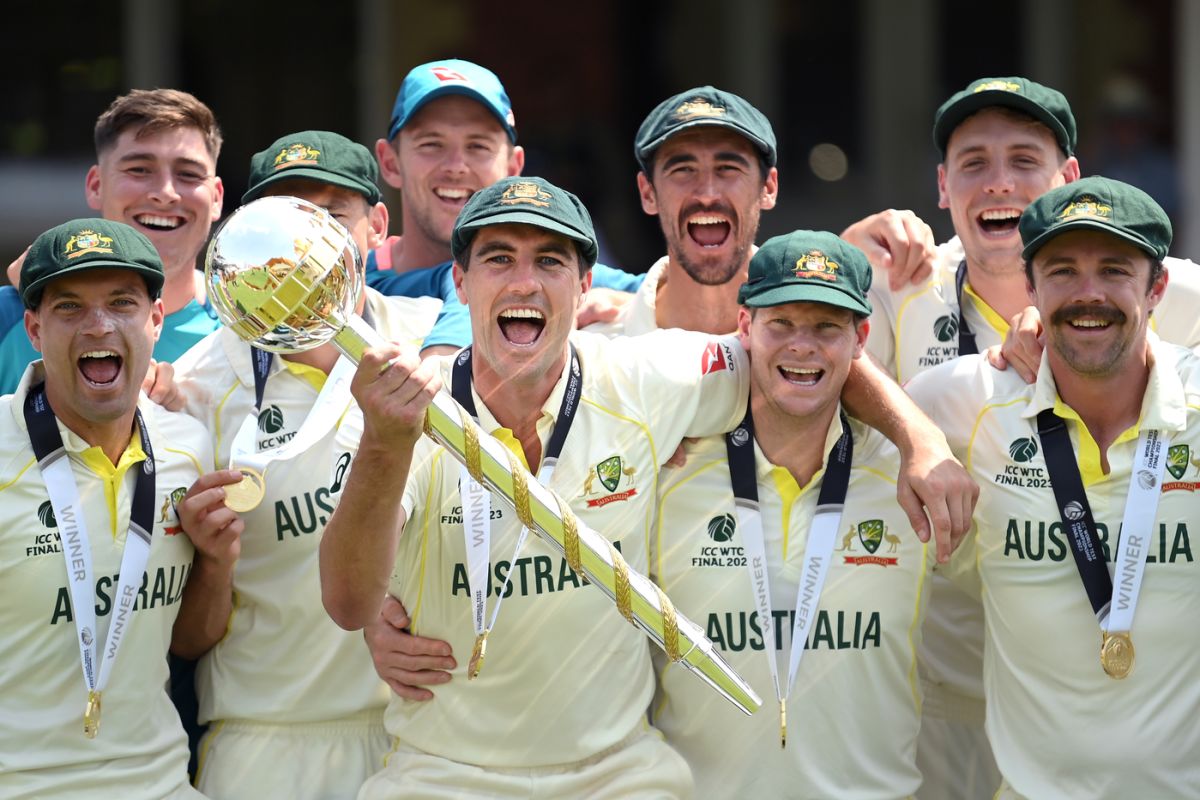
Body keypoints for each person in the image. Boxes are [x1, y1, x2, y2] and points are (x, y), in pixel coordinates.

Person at [364, 85, 978, 703]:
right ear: (647, 193)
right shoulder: (593, 341)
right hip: (634, 723)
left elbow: (833, 358)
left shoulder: (805, 342)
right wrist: (389, 610)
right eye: (682, 169)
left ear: (769, 187)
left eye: (729, 168)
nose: (706, 191)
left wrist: (919, 437)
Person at [321, 175, 761, 798]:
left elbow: (798, 353)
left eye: (550, 261)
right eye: (499, 259)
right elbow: (347, 604)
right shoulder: (398, 405)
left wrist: (905, 435)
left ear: (585, 285)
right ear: (460, 282)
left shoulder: (646, 376)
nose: (524, 282)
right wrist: (383, 446)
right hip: (443, 773)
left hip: (617, 773)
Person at [865, 76, 1200, 800]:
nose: (999, 182)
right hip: (949, 687)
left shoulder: (1156, 280)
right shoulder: (905, 283)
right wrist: (917, 434)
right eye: (974, 162)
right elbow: (793, 353)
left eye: (1023, 159)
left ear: (1067, 177)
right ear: (942, 184)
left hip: (1135, 707)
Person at [169, 131, 439, 800]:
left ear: (378, 227)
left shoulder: (435, 341)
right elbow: (184, 634)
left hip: (423, 730)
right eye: (284, 219)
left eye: (332, 214)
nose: (303, 243)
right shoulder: (196, 385)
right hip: (265, 740)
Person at [651, 230, 935, 797]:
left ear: (860, 339)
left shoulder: (911, 479)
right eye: (781, 323)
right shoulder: (667, 470)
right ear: (745, 327)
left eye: (827, 327)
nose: (802, 346)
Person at [0, 218, 241, 799]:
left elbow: (188, 643)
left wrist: (216, 562)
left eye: (121, 303)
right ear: (34, 329)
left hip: (161, 782)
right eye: (69, 307)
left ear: (156, 320)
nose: (99, 325)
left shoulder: (188, 448)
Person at [368, 58, 643, 353]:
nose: (456, 166)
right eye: (431, 144)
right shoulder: (353, 280)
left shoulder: (557, 272)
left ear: (514, 168)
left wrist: (631, 304)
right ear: (390, 162)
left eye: (478, 146)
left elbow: (669, 291)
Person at [0, 89, 225, 394]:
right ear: (96, 186)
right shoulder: (9, 317)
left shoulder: (252, 332)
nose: (166, 192)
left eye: (188, 174)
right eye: (139, 170)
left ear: (216, 198)